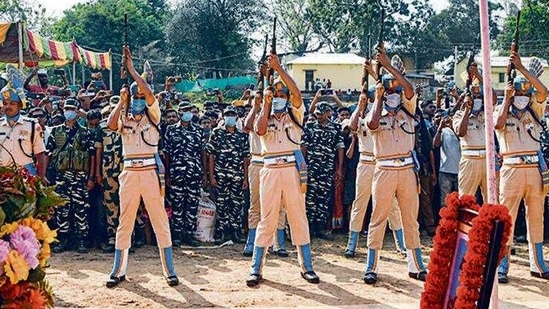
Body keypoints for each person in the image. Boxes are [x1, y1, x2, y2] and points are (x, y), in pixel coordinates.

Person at [105, 46, 178, 288]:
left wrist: (132, 71)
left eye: (139, 98)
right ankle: (118, 269)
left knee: (159, 220)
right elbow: (110, 124)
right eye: (134, 98)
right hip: (129, 173)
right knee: (125, 220)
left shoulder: (153, 116)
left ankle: (169, 270)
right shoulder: (125, 116)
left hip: (149, 172)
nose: (137, 100)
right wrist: (121, 101)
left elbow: (148, 92)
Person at [247, 53, 319, 287]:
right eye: (275, 94)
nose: (279, 97)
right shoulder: (265, 114)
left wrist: (278, 69)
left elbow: (297, 93)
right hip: (269, 168)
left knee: (298, 217)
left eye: (281, 95)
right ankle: (256, 268)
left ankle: (306, 266)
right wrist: (265, 104)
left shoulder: (294, 113)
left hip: (291, 168)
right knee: (267, 219)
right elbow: (258, 130)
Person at [363, 46, 427, 284]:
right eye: (389, 91)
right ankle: (372, 266)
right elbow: (371, 124)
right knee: (378, 218)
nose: (394, 94)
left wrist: (387, 65)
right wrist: (378, 98)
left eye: (395, 91)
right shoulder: (376, 108)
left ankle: (415, 265)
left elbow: (409, 88)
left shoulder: (407, 109)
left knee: (411, 218)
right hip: (385, 169)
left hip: (407, 169)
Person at [494, 52, 549, 283]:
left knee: (536, 217)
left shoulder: (534, 111)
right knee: (508, 217)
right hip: (511, 168)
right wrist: (506, 99)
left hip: (534, 167)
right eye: (520, 91)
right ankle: (502, 264)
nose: (523, 96)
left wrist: (522, 69)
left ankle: (537, 263)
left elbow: (544, 92)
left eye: (527, 91)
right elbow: (497, 124)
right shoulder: (502, 108)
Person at [242, 87, 288, 258]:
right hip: (257, 163)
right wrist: (256, 106)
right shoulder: (257, 116)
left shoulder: (279, 115)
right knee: (255, 205)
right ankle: (252, 242)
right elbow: (247, 126)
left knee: (280, 205)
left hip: (276, 163)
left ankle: (279, 243)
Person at [47, 98, 95, 254]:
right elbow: (48, 154)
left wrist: (91, 178)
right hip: (61, 177)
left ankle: (82, 240)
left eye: (72, 109)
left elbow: (92, 155)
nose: (69, 111)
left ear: (77, 111)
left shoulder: (85, 132)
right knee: (62, 209)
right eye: (66, 108)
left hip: (80, 176)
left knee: (81, 208)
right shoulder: (55, 131)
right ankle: (63, 239)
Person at [164, 103, 206, 247]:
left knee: (192, 204)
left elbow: (202, 152)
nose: (187, 113)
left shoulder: (198, 130)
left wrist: (204, 173)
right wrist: (168, 175)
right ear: (179, 112)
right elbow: (167, 153)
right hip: (176, 173)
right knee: (177, 204)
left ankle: (190, 234)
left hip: (194, 173)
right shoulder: (171, 130)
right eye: (184, 111)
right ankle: (176, 235)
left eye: (189, 110)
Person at [207, 106, 250, 244]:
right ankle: (221, 232)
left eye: (232, 114)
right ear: (223, 117)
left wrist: (245, 177)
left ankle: (235, 232)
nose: (230, 117)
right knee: (221, 203)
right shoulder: (216, 133)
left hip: (237, 176)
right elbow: (211, 155)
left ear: (237, 117)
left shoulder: (242, 136)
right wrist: (212, 176)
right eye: (227, 114)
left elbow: (245, 158)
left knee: (236, 204)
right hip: (221, 176)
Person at [302, 102, 344, 239]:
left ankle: (320, 229)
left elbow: (340, 148)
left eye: (321, 113)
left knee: (323, 199)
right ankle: (309, 229)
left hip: (327, 169)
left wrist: (338, 168)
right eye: (317, 114)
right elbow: (304, 147)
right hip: (311, 169)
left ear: (328, 113)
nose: (318, 116)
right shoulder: (309, 127)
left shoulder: (336, 128)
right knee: (310, 199)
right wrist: (303, 166)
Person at [0, 87, 46, 177]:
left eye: (12, 103)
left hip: (26, 176)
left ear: (20, 105)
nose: (7, 107)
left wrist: (41, 177)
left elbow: (40, 155)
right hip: (2, 177)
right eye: (5, 104)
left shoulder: (32, 125)